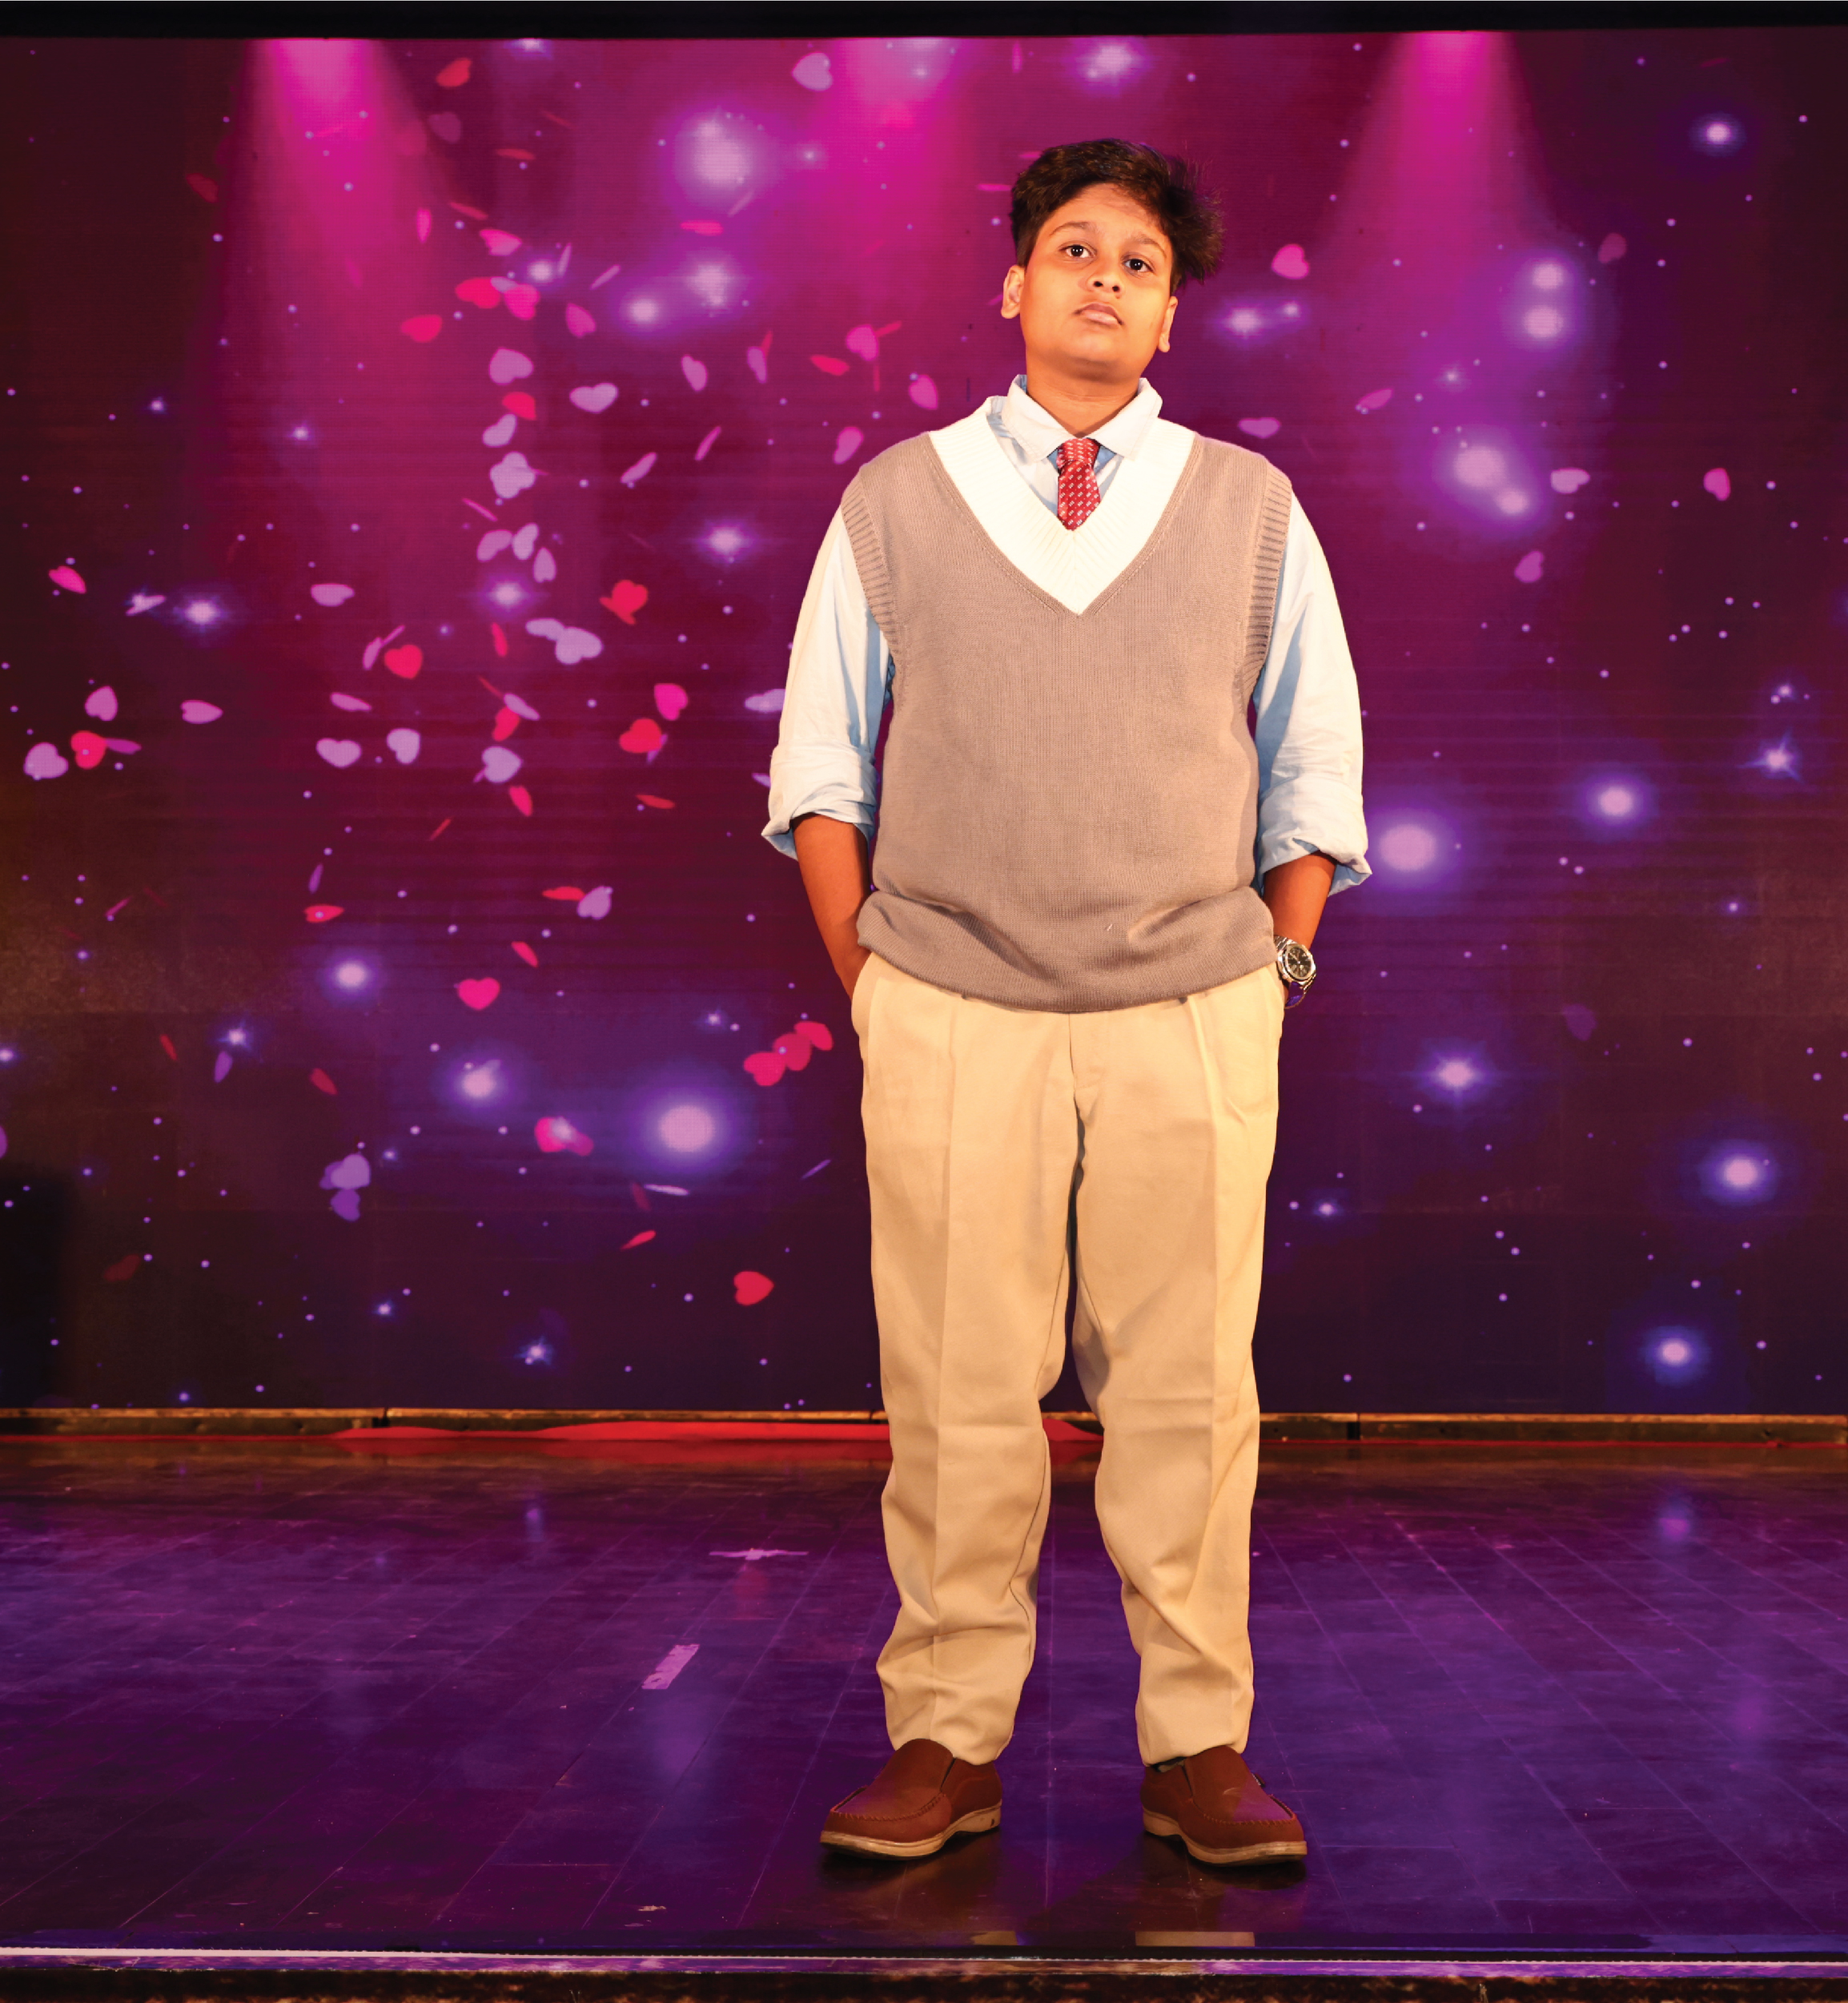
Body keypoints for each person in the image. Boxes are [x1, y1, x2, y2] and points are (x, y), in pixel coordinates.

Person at [762, 139, 1367, 1868]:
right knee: (958, 1385)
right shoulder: (899, 496)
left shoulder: (1247, 504)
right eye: (1075, 249)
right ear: (1014, 283)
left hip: (1190, 1000)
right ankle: (944, 1739)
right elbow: (820, 758)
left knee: (1187, 1390)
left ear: (1171, 315)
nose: (1105, 278)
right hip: (953, 999)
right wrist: (876, 984)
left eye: (1141, 263)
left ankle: (1199, 1747)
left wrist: (1273, 968)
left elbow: (1311, 760)